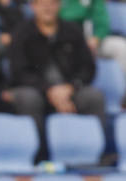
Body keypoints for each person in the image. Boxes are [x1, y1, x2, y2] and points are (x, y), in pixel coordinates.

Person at [7, 0, 105, 159]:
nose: (47, 7)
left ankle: (94, 155)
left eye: (52, 3)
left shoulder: (72, 30)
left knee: (94, 97)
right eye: (42, 3)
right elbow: (18, 72)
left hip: (69, 91)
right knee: (29, 99)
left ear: (59, 5)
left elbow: (88, 68)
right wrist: (48, 89)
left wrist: (70, 87)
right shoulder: (21, 32)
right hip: (36, 90)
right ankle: (38, 158)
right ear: (33, 6)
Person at [59, 0, 126, 78]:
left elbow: (102, 22)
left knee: (120, 47)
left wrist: (95, 40)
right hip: (65, 42)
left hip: (91, 41)